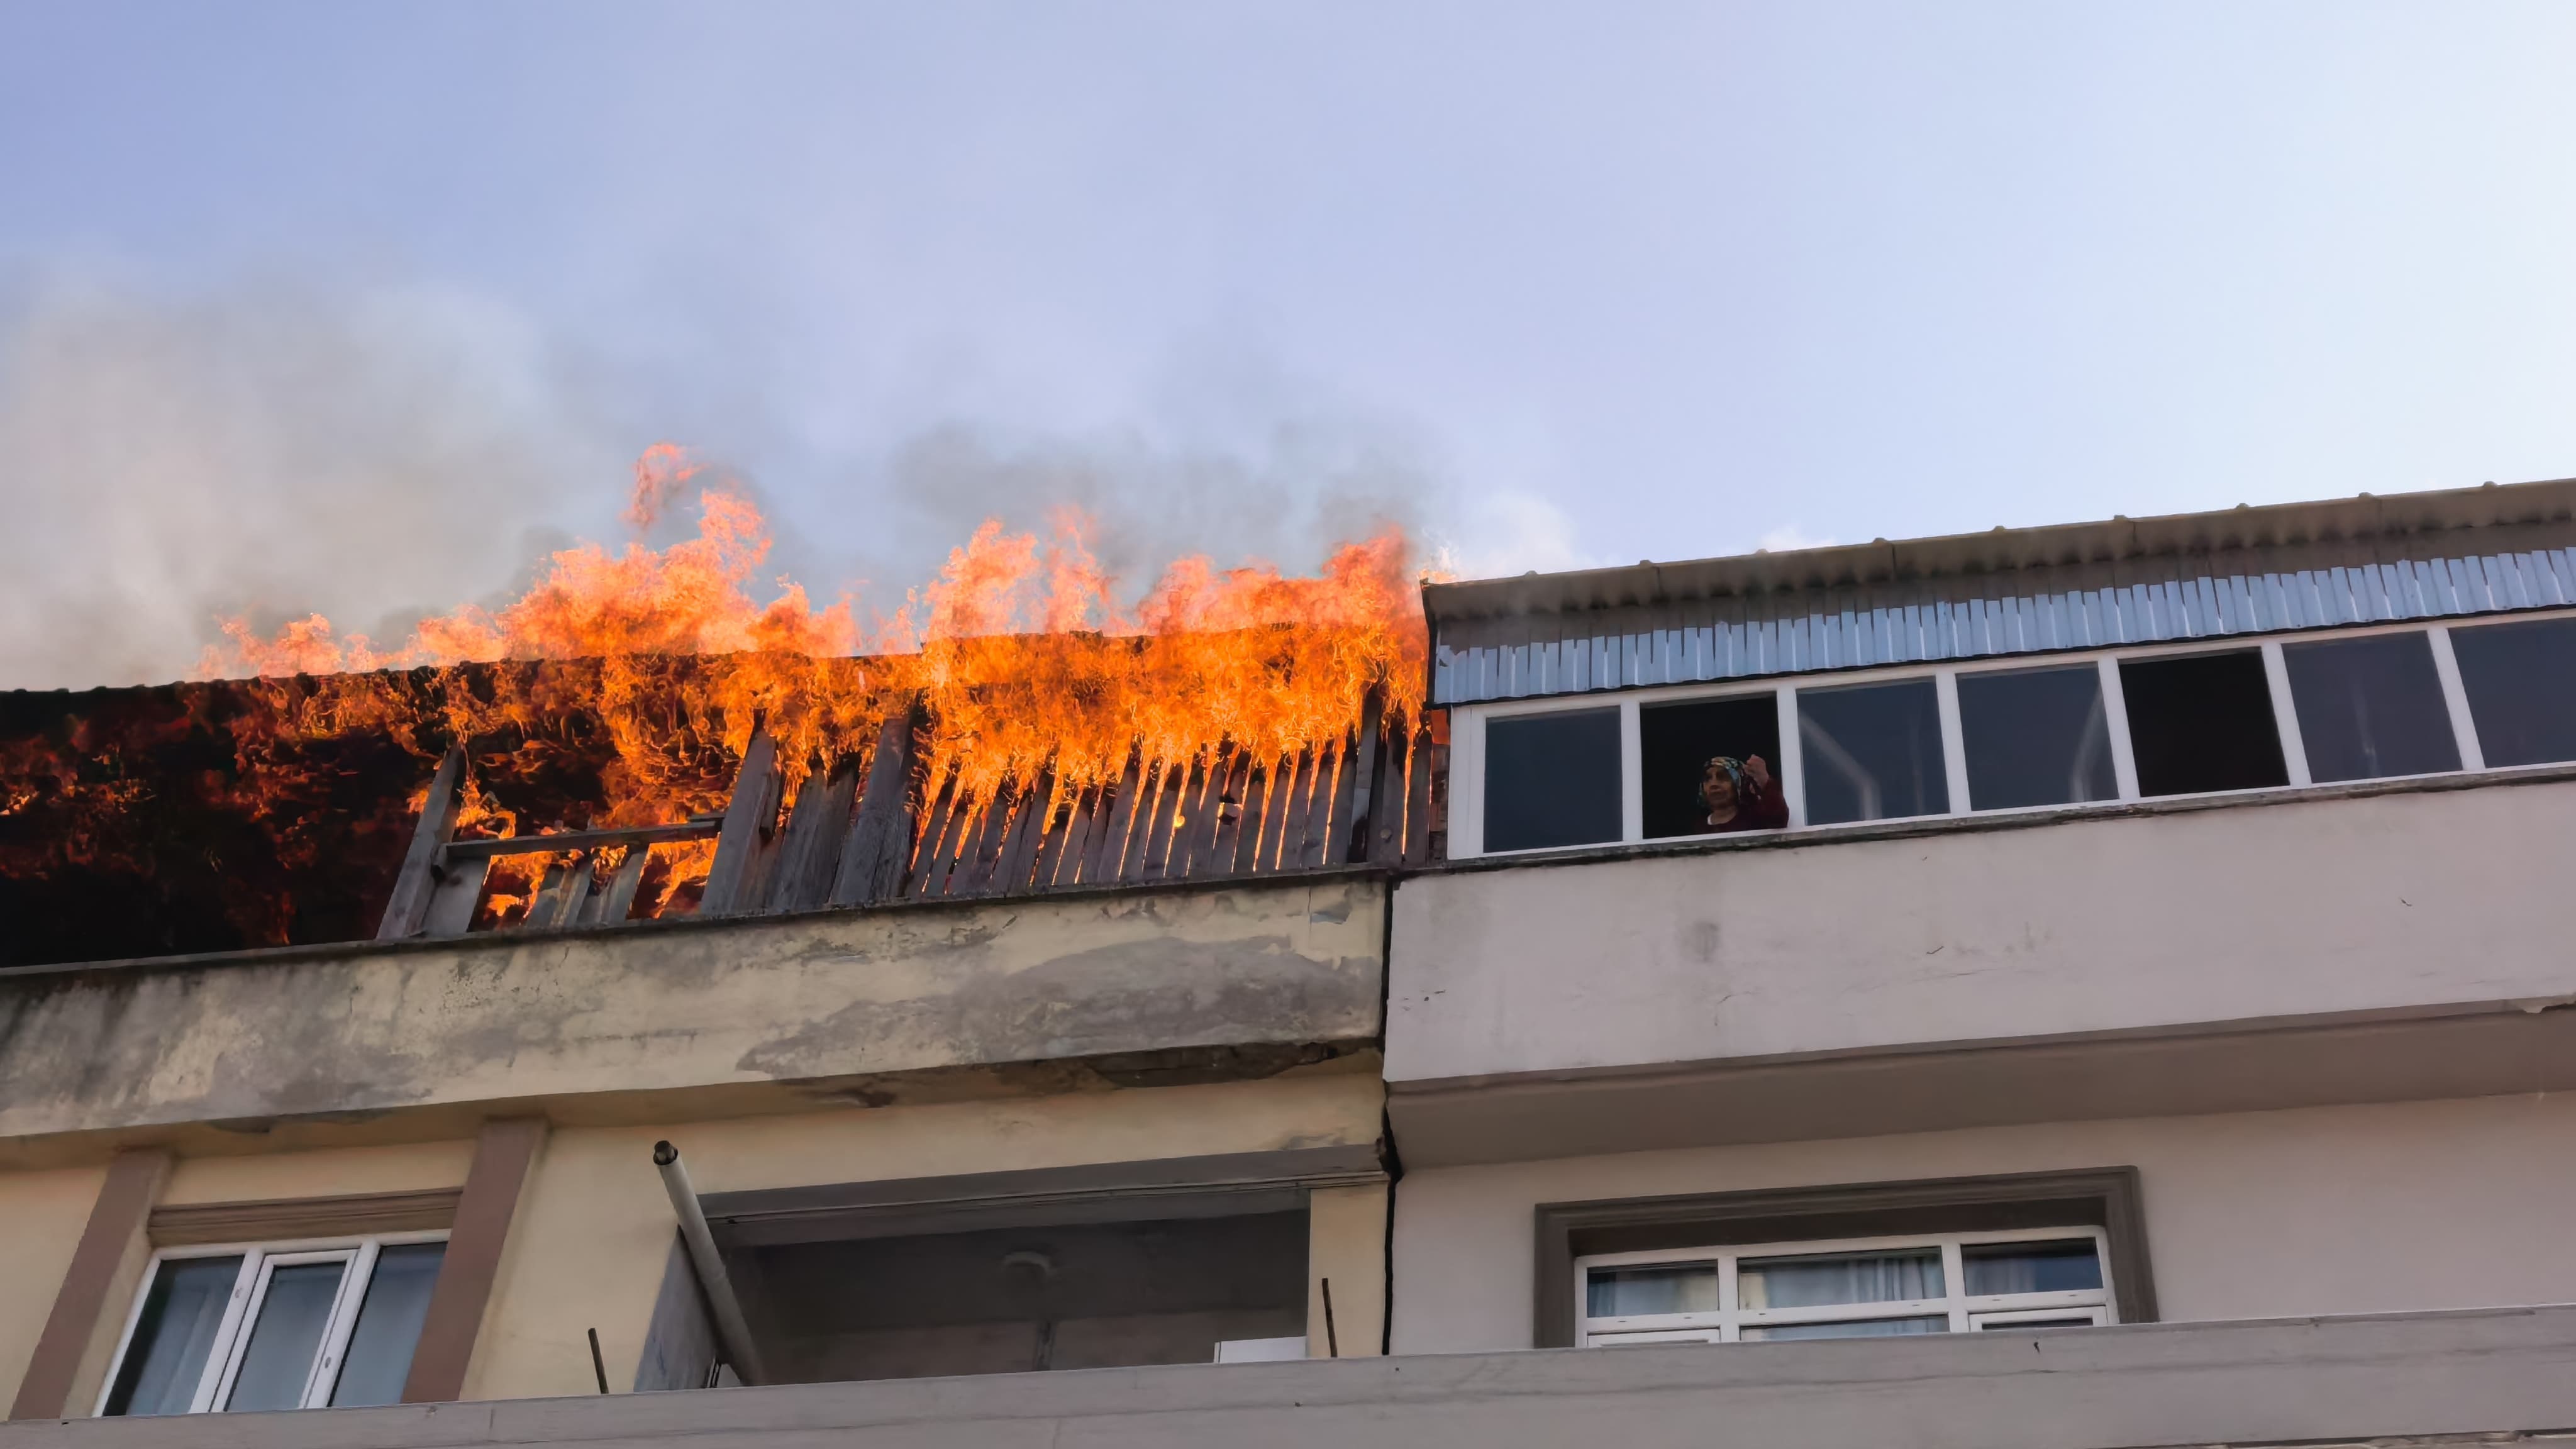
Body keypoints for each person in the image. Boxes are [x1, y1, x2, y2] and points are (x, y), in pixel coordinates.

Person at [1701, 754, 1788, 833]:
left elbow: (1778, 819)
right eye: (1708, 779)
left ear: (1740, 783)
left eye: (1723, 777)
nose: (1713, 784)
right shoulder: (1697, 829)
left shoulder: (1755, 820)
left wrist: (1766, 782)